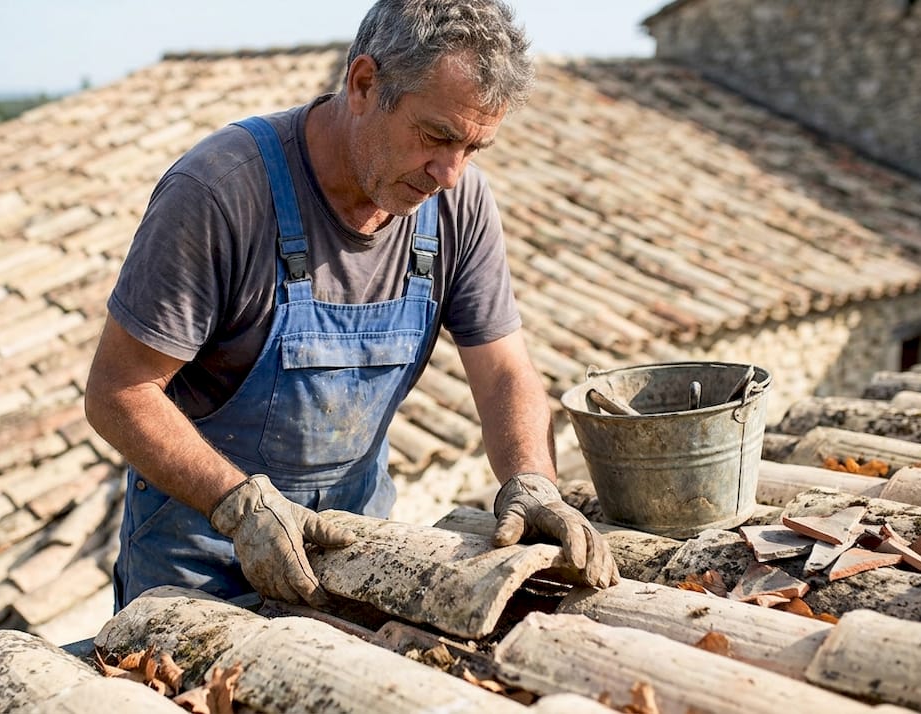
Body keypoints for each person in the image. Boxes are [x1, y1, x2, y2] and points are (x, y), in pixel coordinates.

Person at [85, 0, 618, 611]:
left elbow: (503, 370)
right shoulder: (222, 193)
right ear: (364, 84)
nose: (449, 172)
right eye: (437, 135)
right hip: (198, 572)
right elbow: (118, 392)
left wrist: (532, 483)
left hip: (353, 557)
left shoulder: (456, 204)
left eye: (475, 149)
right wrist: (239, 507)